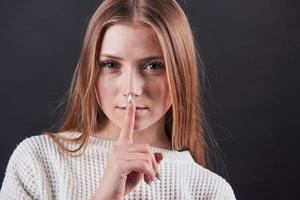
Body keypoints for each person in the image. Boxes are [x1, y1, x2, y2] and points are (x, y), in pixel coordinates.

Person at [0, 0, 236, 199]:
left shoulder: (211, 192)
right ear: (90, 71)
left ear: (180, 72)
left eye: (154, 66)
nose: (131, 89)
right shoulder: (37, 162)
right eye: (111, 65)